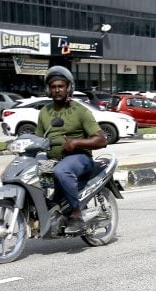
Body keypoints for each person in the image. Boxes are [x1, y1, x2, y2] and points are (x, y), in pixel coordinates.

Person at [36, 65, 108, 231]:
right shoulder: (44, 112)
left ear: (69, 88)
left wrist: (76, 143)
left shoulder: (80, 111)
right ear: (48, 90)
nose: (57, 90)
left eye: (61, 86)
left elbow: (101, 140)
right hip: (53, 159)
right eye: (53, 87)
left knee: (62, 171)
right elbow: (38, 138)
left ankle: (76, 213)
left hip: (80, 158)